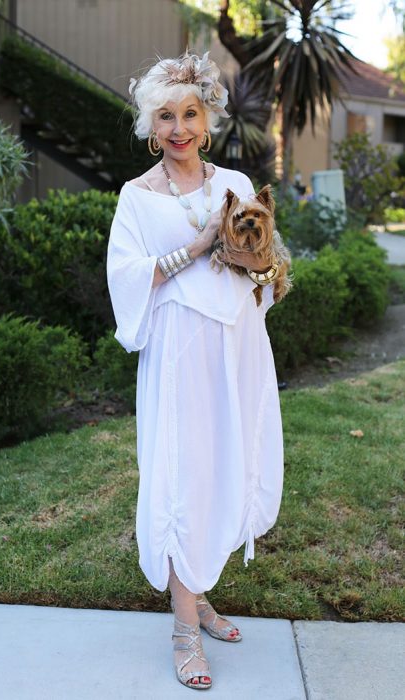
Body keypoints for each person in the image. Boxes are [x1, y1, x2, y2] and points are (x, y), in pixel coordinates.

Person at [106, 51, 284, 691]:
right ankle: (184, 630)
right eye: (165, 117)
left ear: (207, 119)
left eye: (190, 113)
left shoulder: (233, 182)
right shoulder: (136, 197)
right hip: (179, 357)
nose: (179, 128)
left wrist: (256, 263)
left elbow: (267, 269)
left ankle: (198, 596)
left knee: (222, 468)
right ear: (150, 127)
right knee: (183, 479)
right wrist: (199, 246)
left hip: (235, 351)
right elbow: (127, 278)